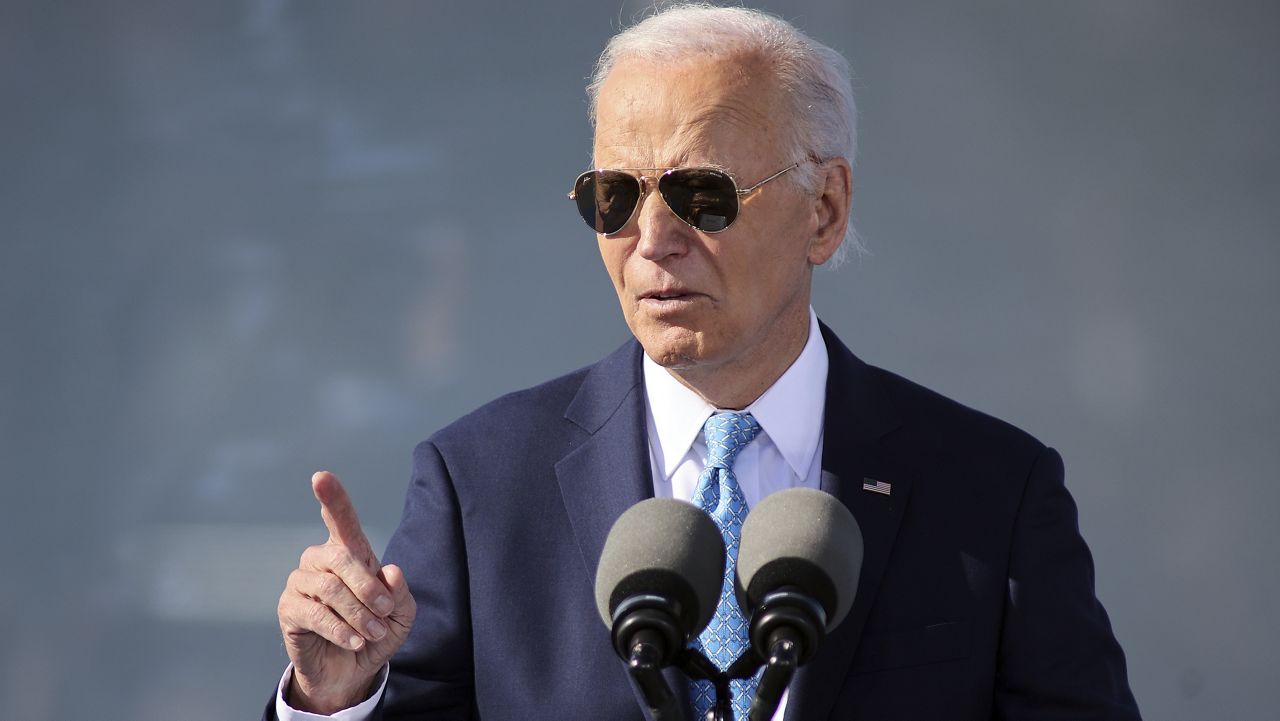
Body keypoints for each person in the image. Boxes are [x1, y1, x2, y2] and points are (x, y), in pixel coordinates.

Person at [267, 4, 1141, 720]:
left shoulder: (991, 491)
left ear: (824, 210)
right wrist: (332, 701)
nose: (653, 241)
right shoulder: (481, 484)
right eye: (614, 196)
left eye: (702, 194)